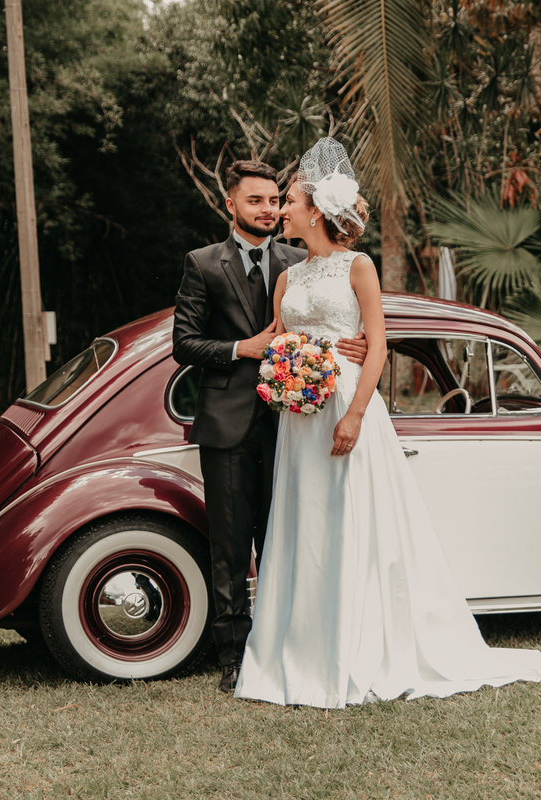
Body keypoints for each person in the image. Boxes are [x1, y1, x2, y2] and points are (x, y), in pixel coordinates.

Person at [235, 138, 541, 708]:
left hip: (349, 404)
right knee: (304, 522)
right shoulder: (287, 279)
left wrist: (354, 415)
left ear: (317, 211)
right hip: (301, 414)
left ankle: (356, 645)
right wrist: (284, 369)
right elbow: (281, 340)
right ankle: (299, 648)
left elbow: (377, 348)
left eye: (292, 201)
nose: (282, 211)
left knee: (352, 517)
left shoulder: (359, 266)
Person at [171, 160, 367, 694]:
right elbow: (183, 344)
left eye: (275, 199)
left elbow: (340, 315)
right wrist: (241, 348)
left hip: (296, 425)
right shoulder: (202, 264)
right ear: (230, 204)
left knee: (285, 540)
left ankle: (285, 643)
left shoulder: (299, 259)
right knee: (231, 547)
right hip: (228, 422)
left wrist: (362, 345)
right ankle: (234, 657)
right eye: (255, 200)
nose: (269, 209)